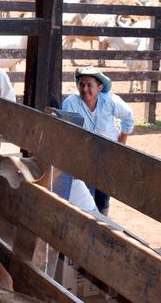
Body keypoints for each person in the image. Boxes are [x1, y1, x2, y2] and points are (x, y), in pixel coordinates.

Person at [61, 66, 134, 216]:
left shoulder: (109, 101)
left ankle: (102, 221)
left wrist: (121, 145)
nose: (85, 89)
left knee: (103, 196)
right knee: (86, 195)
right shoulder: (71, 103)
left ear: (99, 88)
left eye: (90, 85)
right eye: (82, 85)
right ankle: (89, 220)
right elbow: (65, 131)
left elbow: (128, 117)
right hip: (84, 157)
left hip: (107, 155)